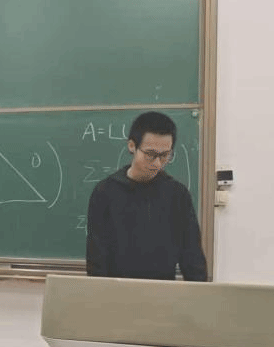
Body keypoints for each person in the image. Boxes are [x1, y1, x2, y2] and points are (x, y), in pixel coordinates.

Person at [86, 111, 207, 281]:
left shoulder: (177, 195)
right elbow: (96, 259)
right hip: (116, 292)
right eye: (150, 154)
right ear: (132, 146)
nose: (157, 163)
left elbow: (193, 258)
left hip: (163, 292)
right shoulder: (105, 192)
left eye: (164, 155)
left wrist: (198, 293)